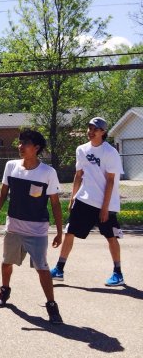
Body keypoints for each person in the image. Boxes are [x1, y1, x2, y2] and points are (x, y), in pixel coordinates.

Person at [0, 129, 64, 324]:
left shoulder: (48, 172)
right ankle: (4, 291)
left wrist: (59, 231)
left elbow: (55, 204)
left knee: (42, 268)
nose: (20, 147)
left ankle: (51, 305)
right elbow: (3, 193)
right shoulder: (11, 166)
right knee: (6, 263)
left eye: (25, 143)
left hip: (37, 230)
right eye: (20, 143)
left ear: (36, 148)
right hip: (13, 227)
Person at [50, 117, 126, 286]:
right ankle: (59, 269)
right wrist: (72, 198)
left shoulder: (110, 152)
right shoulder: (81, 149)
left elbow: (111, 181)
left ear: (103, 132)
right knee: (70, 232)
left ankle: (118, 273)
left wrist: (105, 208)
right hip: (84, 200)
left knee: (111, 236)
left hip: (105, 204)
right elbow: (79, 175)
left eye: (95, 129)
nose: (91, 132)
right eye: (89, 128)